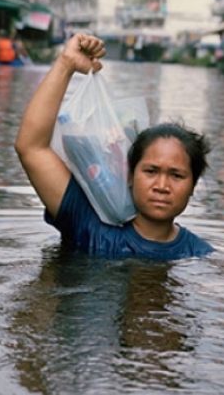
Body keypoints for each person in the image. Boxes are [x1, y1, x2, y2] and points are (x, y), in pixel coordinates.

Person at [14, 32, 213, 257]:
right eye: (151, 171)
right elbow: (31, 147)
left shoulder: (198, 254)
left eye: (176, 175)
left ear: (193, 186)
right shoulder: (88, 223)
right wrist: (66, 64)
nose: (161, 185)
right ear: (129, 175)